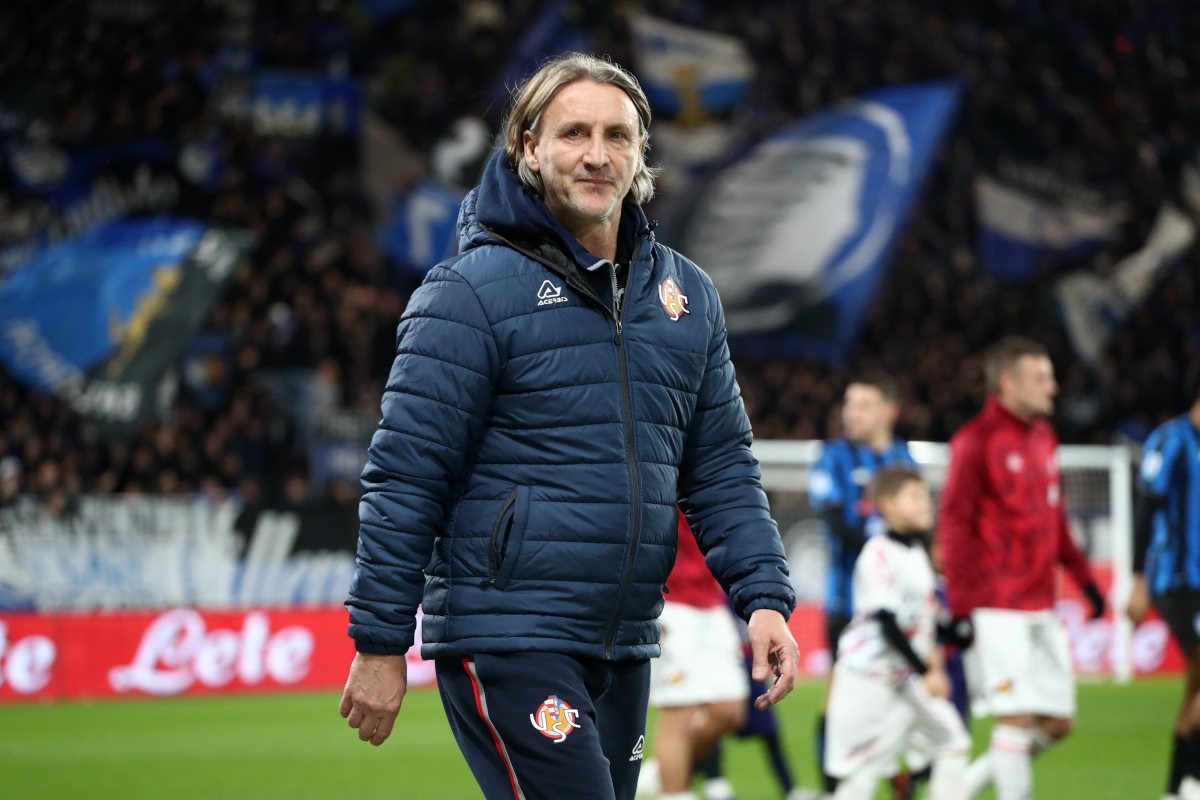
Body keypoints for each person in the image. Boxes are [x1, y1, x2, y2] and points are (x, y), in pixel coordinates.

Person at [337, 53, 799, 800]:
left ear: (642, 153)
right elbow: (406, 477)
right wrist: (381, 642)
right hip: (510, 634)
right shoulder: (467, 292)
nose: (596, 154)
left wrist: (764, 598)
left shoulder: (689, 297)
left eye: (618, 136)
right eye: (573, 133)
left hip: (626, 639)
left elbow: (720, 470)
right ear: (527, 148)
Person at [939, 336, 1105, 800]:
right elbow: (954, 523)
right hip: (995, 603)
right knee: (1016, 715)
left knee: (1059, 720)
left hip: (1040, 600)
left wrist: (1085, 579)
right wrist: (964, 605)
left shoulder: (1043, 437)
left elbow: (1056, 518)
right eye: (1041, 378)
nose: (1052, 387)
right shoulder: (976, 440)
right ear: (1008, 383)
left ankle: (959, 789)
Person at [824, 467, 971, 800]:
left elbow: (922, 618)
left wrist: (958, 633)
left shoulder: (916, 553)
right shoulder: (878, 553)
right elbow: (886, 622)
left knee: (952, 741)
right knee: (859, 774)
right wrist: (925, 671)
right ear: (887, 504)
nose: (925, 504)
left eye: (926, 496)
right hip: (867, 676)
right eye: (915, 497)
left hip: (902, 677)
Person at [809, 372, 916, 792]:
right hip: (848, 605)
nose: (851, 413)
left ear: (889, 410)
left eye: (863, 405)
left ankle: (898, 780)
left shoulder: (905, 456)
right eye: (848, 404)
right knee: (842, 700)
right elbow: (836, 522)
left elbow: (919, 527)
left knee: (902, 700)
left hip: (901, 605)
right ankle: (833, 786)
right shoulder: (832, 456)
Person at [639, 509, 749, 800]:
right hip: (672, 601)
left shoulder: (717, 470)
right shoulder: (665, 467)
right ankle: (674, 791)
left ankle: (660, 768)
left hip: (710, 600)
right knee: (680, 712)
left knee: (730, 711)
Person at [1127, 381, 1200, 800]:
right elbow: (1145, 508)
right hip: (1176, 579)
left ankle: (1177, 788)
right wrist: (1137, 581)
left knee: (1196, 683)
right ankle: (1184, 784)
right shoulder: (1171, 439)